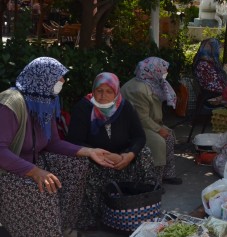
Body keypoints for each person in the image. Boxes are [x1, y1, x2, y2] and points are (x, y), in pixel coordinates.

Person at [0, 57, 113, 237]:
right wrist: (35, 171)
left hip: (31, 165)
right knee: (44, 186)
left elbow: (53, 142)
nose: (62, 84)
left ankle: (61, 227)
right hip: (6, 173)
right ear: (42, 79)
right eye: (58, 81)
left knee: (78, 166)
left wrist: (89, 152)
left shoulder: (46, 102)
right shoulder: (11, 103)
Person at [67, 72, 156, 229]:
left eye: (109, 91)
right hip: (95, 159)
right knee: (78, 163)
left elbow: (139, 137)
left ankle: (142, 203)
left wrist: (129, 154)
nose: (103, 96)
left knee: (145, 153)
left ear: (116, 92)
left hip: (122, 159)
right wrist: (102, 155)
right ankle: (94, 216)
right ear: (93, 91)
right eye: (99, 91)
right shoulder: (83, 108)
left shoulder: (124, 107)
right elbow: (74, 141)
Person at [121, 57, 182, 185]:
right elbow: (141, 118)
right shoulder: (138, 89)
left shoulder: (150, 82)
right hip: (133, 127)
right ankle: (154, 182)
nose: (165, 74)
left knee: (169, 137)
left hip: (147, 123)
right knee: (158, 142)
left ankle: (167, 175)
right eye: (163, 71)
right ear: (154, 70)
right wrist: (159, 130)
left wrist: (161, 129)